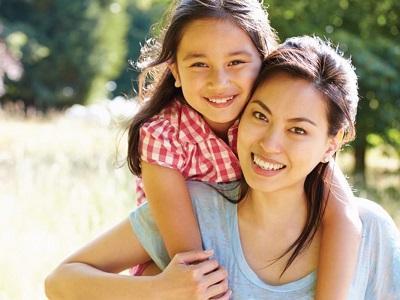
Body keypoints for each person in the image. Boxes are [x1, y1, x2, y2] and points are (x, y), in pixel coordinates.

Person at [45, 36, 400, 299]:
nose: (269, 144)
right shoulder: (196, 208)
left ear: (333, 142)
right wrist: (157, 289)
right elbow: (61, 281)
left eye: (297, 130)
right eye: (260, 115)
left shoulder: (372, 233)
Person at [127, 1, 361, 298]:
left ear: (263, 62)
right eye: (199, 64)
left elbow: (343, 215)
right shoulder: (164, 135)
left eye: (236, 62)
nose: (219, 82)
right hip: (172, 265)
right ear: (175, 70)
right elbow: (193, 267)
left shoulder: (268, 121)